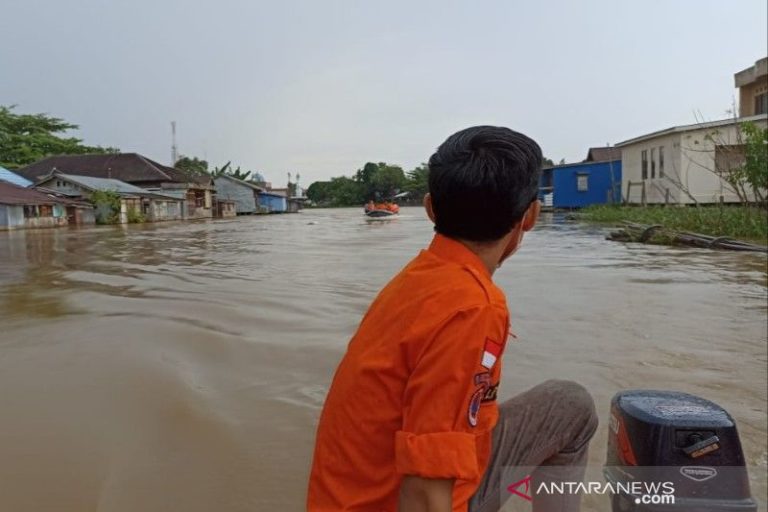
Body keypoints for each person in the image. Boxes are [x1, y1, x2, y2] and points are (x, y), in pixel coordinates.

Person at [308, 126, 598, 512]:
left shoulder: (420, 276)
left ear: (430, 207)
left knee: (568, 403)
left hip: (347, 494)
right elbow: (424, 491)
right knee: (573, 410)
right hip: (393, 501)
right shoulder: (473, 308)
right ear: (530, 215)